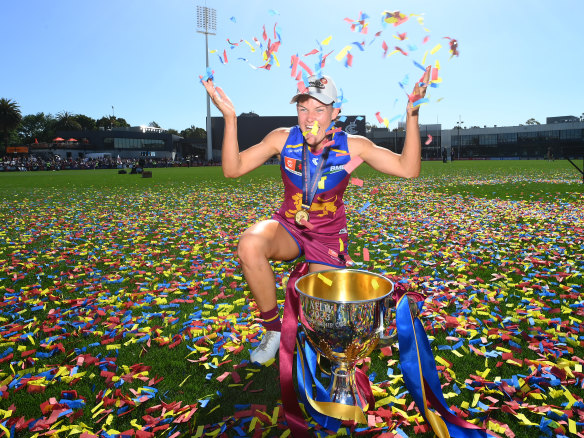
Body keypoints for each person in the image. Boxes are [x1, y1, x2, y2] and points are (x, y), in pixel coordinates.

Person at [201, 68, 430, 364]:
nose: (310, 118)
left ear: (335, 113)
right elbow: (233, 169)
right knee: (249, 245)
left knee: (326, 330)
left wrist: (412, 115)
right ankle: (273, 330)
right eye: (303, 108)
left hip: (328, 238)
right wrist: (230, 119)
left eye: (319, 109)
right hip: (289, 228)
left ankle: (377, 308)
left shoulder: (353, 145)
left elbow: (408, 169)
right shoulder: (282, 139)